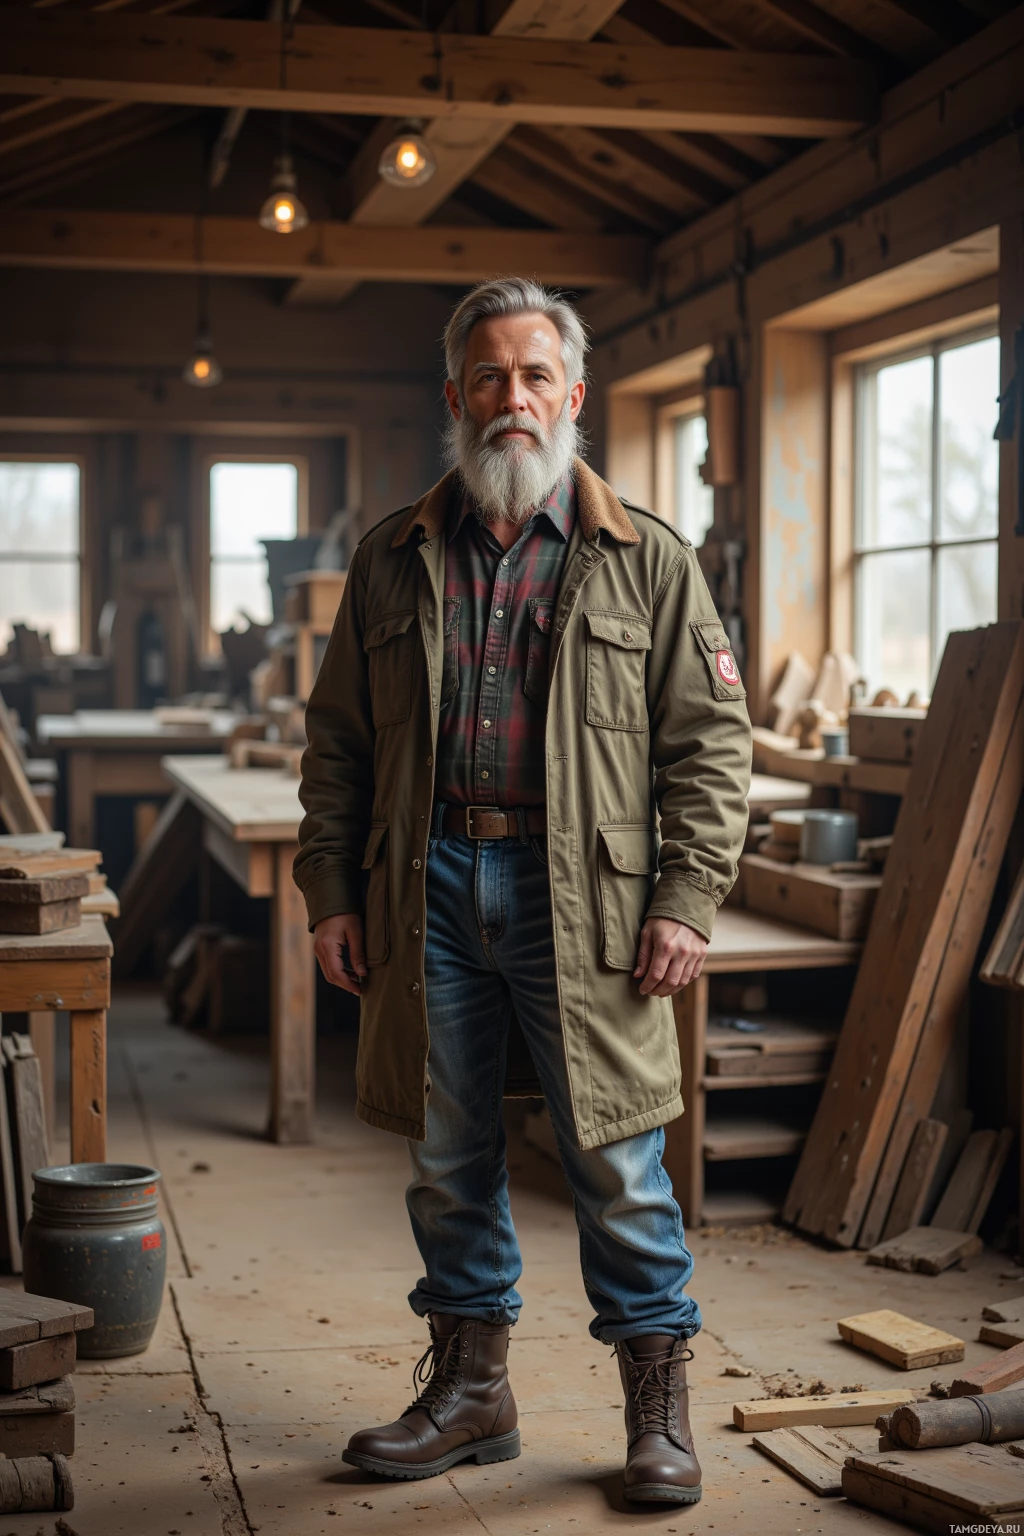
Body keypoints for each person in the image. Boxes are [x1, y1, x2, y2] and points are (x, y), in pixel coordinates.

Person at [294, 277, 751, 1505]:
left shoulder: (647, 560)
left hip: (585, 897)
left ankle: (657, 1411)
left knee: (614, 1156)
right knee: (447, 1154)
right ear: (455, 397)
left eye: (534, 374)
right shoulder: (390, 559)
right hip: (426, 883)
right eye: (489, 377)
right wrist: (331, 889)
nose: (512, 398)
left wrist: (685, 897)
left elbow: (710, 748)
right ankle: (470, 1392)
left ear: (573, 395)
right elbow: (335, 742)